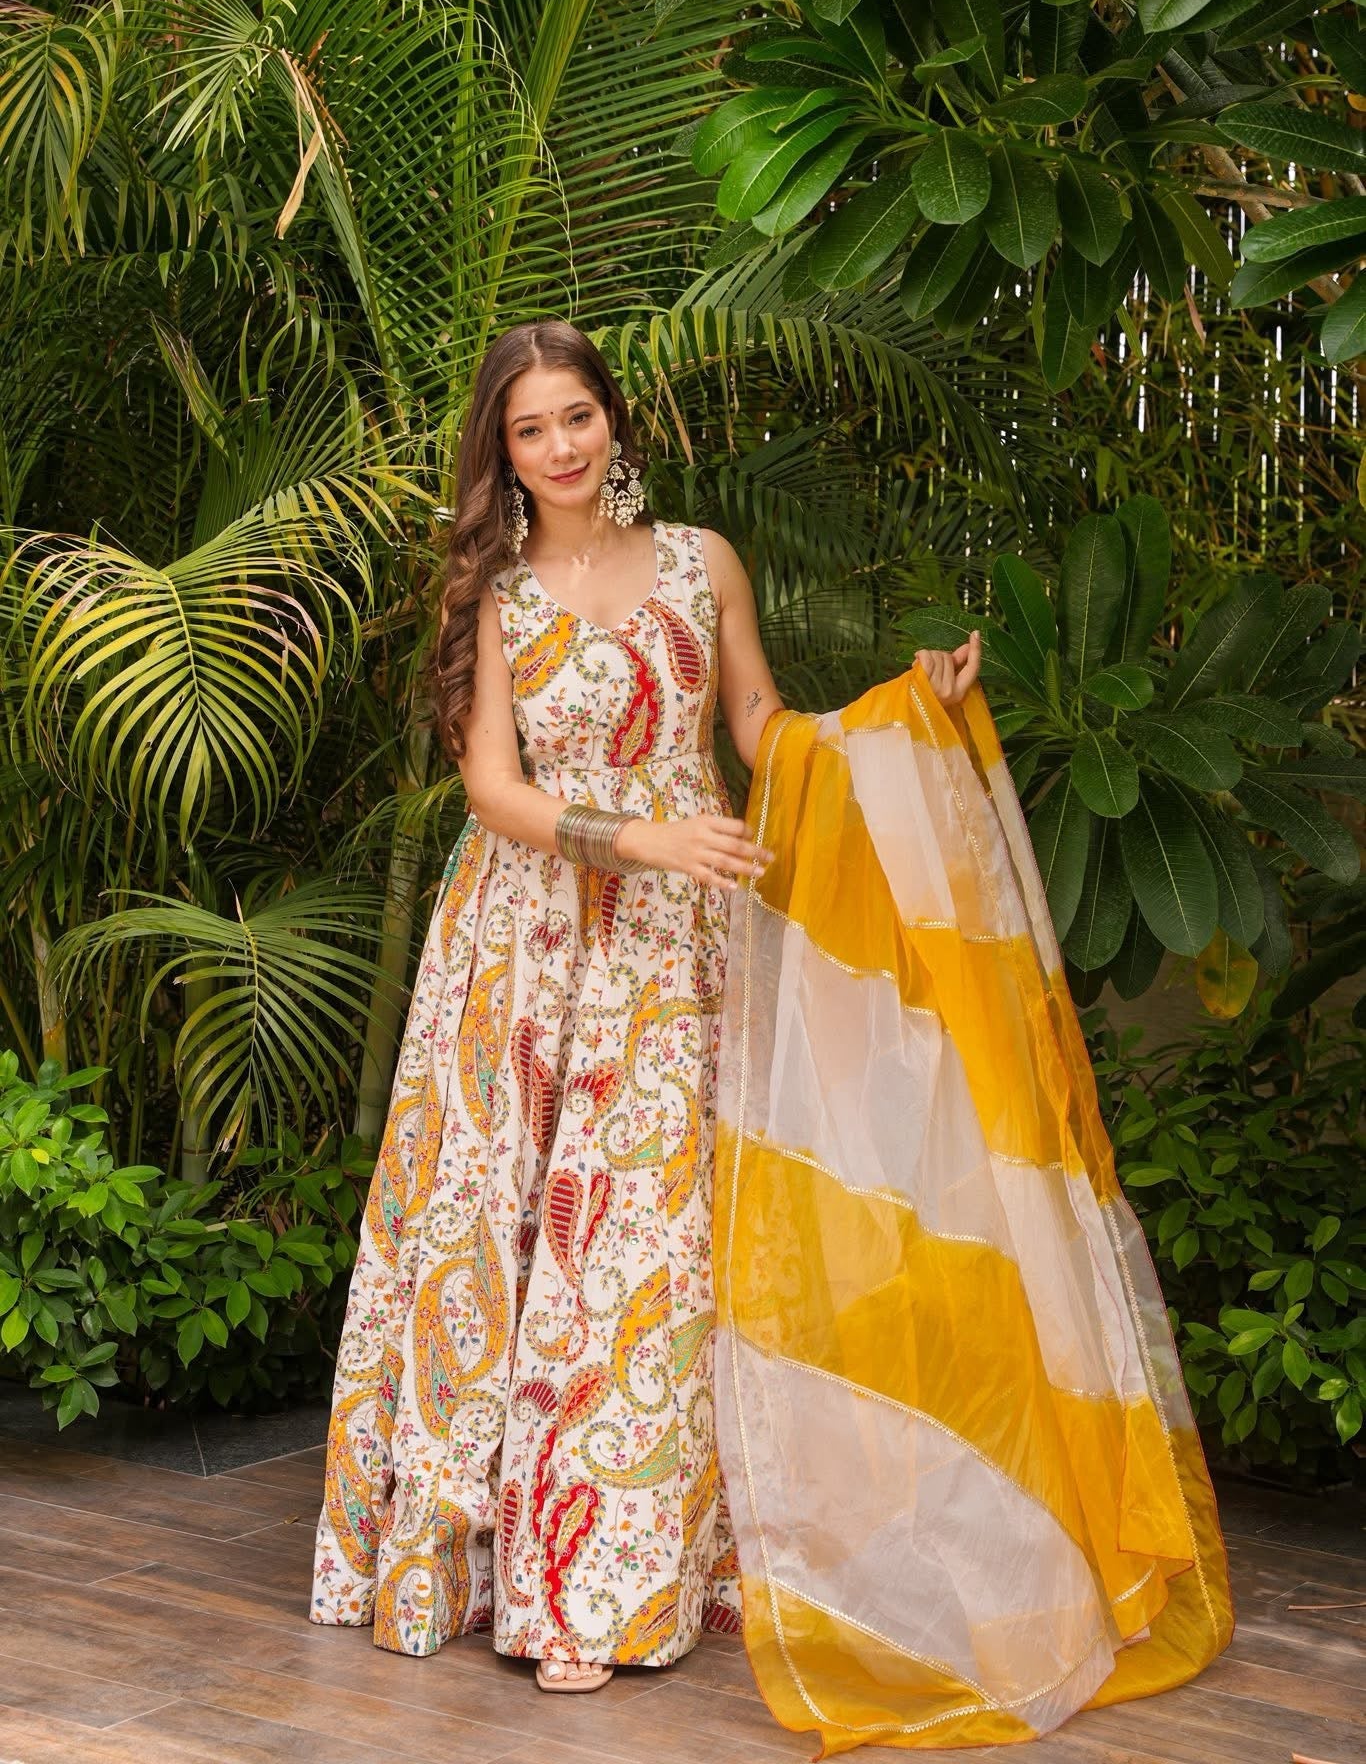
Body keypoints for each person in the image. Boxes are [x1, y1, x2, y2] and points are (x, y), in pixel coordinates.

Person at [310, 318, 1233, 1745]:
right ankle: (513, 1567)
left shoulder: (701, 561)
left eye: (577, 417)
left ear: (614, 419)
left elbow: (764, 732)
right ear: (501, 451)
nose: (560, 447)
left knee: (657, 1249)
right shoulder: (495, 593)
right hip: (526, 948)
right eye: (529, 430)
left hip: (683, 954)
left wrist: (907, 715)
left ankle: (629, 1578)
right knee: (502, 1241)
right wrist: (639, 837)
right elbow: (491, 786)